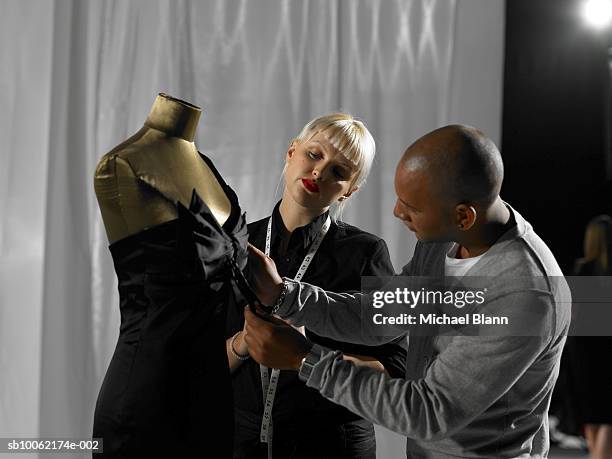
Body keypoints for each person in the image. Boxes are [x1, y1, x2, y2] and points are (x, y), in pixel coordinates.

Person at [244, 124, 572, 458]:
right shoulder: (444, 241)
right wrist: (284, 294)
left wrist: (304, 359)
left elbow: (429, 412)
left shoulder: (526, 292)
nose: (397, 213)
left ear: (463, 216)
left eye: (412, 207)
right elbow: (380, 315)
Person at [225, 113, 406, 458]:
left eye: (338, 171)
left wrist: (308, 357)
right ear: (291, 151)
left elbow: (398, 368)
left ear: (349, 191)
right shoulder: (237, 243)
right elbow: (197, 362)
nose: (320, 171)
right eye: (314, 154)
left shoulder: (366, 252)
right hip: (242, 442)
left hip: (331, 443)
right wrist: (242, 343)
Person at [564, 216, 612, 459]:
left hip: (581, 350)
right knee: (607, 417)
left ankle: (596, 454)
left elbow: (572, 315)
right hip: (606, 348)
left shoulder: (581, 269)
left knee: (591, 415)